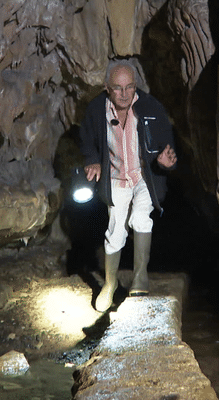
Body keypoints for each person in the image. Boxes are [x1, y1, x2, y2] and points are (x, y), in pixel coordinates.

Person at [79, 59, 177, 312]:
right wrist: (93, 161)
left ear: (136, 86)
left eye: (129, 87)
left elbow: (167, 142)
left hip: (145, 177)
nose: (124, 94)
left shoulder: (150, 106)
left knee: (141, 218)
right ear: (107, 88)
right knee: (115, 230)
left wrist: (166, 160)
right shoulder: (96, 109)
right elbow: (87, 139)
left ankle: (140, 276)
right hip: (116, 177)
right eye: (118, 88)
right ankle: (109, 284)